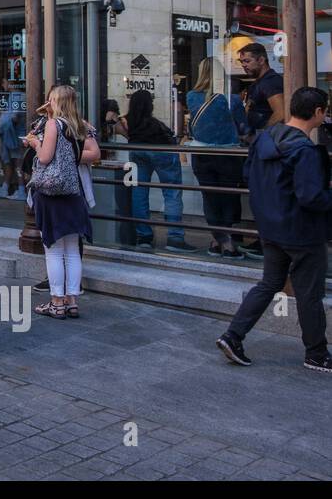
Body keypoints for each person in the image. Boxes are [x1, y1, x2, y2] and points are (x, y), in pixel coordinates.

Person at [217, 86, 332, 374]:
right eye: (325, 110)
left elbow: (248, 176)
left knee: (269, 283)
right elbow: (311, 197)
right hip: (302, 231)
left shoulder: (264, 138)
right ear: (318, 112)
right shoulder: (304, 150)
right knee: (309, 293)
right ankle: (316, 354)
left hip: (270, 226)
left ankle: (233, 335)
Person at [25, 85, 100, 320]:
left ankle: (57, 301)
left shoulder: (53, 125)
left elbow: (45, 157)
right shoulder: (80, 125)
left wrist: (34, 144)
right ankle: (72, 300)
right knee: (72, 250)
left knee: (54, 250)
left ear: (55, 102)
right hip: (74, 191)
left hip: (53, 192)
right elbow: (91, 153)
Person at [186, 59, 245, 259]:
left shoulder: (192, 97)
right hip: (229, 154)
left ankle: (216, 240)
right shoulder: (232, 99)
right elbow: (243, 127)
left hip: (202, 155)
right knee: (228, 197)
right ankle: (227, 243)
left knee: (210, 198)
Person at [121, 88, 192, 251]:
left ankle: (143, 236)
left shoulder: (128, 121)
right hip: (161, 151)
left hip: (138, 150)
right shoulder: (154, 125)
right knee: (172, 193)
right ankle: (175, 237)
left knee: (139, 192)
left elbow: (112, 121)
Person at [237, 42, 283, 140]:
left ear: (261, 60)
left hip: (268, 142)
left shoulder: (271, 81)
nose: (243, 65)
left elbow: (281, 113)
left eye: (247, 61)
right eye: (241, 62)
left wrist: (261, 134)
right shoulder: (259, 82)